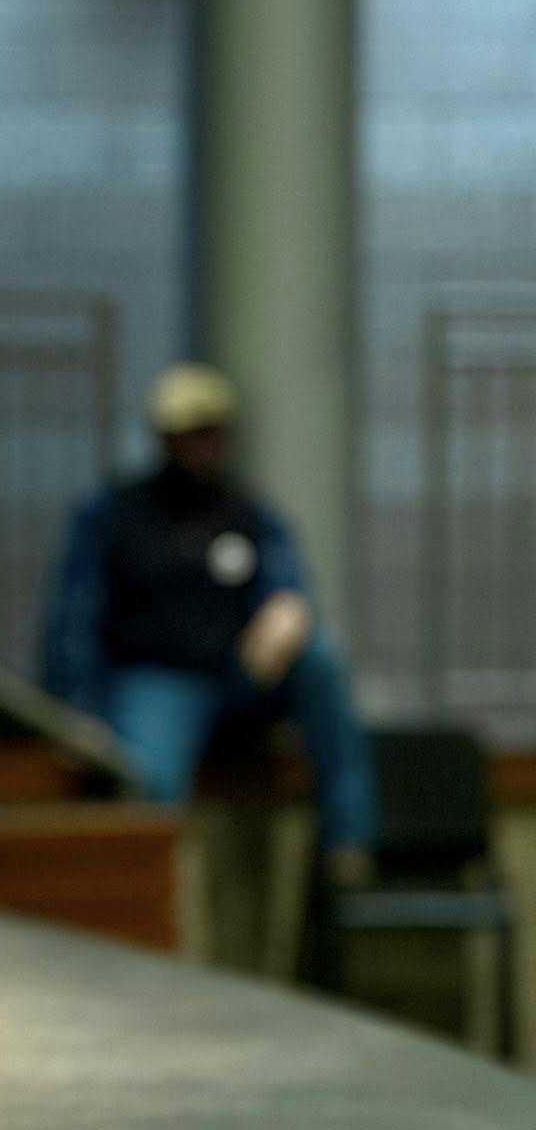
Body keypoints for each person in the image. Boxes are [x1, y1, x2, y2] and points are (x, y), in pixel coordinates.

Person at [40, 364, 378, 880]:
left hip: (239, 676)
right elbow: (75, 617)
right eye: (194, 433)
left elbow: (287, 588)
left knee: (322, 656)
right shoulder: (115, 514)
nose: (207, 445)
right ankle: (151, 895)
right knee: (148, 781)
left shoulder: (250, 512)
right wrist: (77, 708)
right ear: (167, 438)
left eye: (215, 431)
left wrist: (286, 611)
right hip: (159, 678)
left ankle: (348, 840)